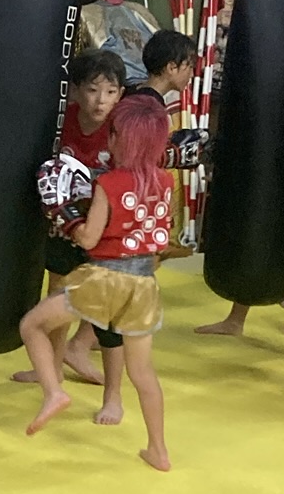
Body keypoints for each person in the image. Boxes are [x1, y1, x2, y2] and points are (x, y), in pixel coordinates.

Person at [19, 92, 173, 471]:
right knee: (143, 373)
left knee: (32, 325)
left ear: (123, 139)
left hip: (105, 279)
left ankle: (53, 392)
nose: (109, 138)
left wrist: (65, 214)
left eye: (113, 133)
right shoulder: (165, 181)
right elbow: (160, 238)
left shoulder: (109, 183)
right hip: (143, 286)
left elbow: (88, 239)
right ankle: (158, 449)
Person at [12, 49, 127, 413]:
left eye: (110, 92)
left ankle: (113, 396)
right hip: (66, 225)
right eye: (93, 90)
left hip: (105, 231)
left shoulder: (121, 129)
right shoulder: (62, 121)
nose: (101, 100)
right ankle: (52, 369)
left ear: (121, 94)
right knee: (57, 293)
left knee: (109, 316)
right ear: (75, 90)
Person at [125, 29, 197, 105]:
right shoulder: (150, 105)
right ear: (171, 68)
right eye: (190, 67)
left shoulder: (134, 93)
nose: (192, 74)